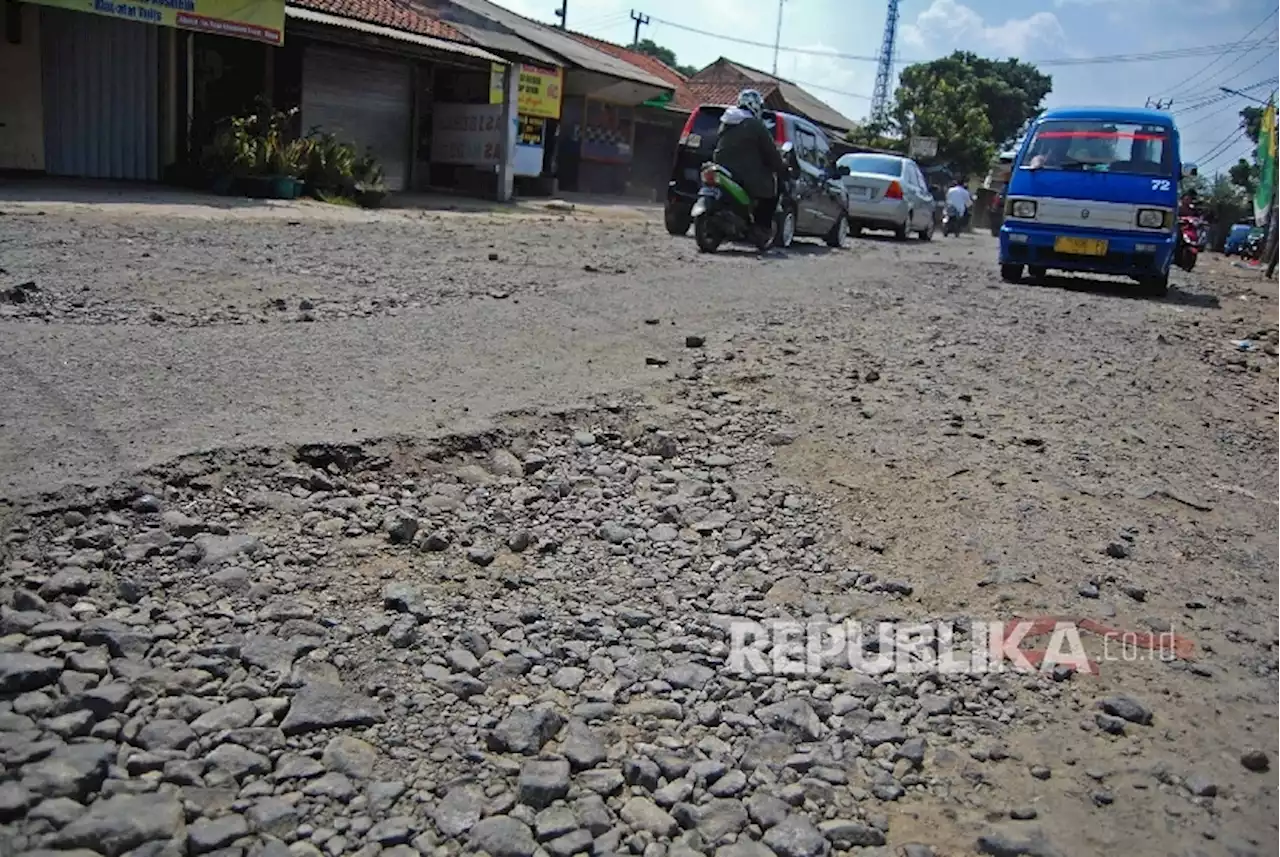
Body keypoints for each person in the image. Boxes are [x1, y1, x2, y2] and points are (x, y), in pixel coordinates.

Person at [713, 89, 789, 246]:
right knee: (770, 192)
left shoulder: (727, 121)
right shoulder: (755, 125)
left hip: (722, 166)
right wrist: (780, 166)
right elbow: (771, 152)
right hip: (745, 173)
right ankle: (760, 229)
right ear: (756, 106)